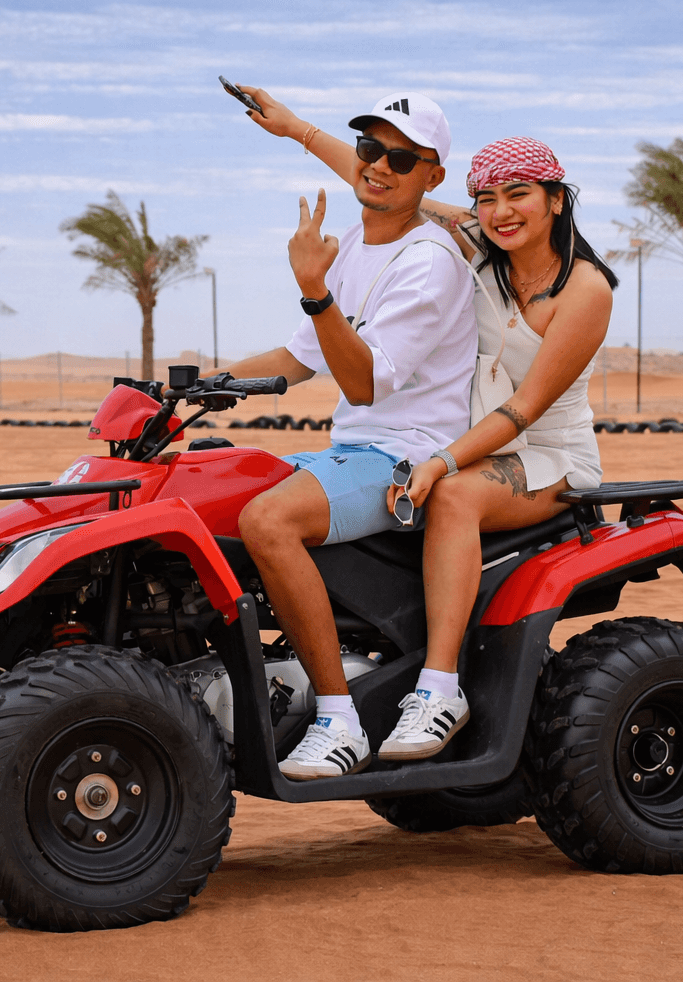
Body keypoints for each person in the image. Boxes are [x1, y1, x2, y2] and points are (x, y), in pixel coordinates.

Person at [236, 86, 616, 762]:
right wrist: (295, 129)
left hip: (546, 454)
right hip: (472, 443)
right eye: (487, 199)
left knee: (455, 496)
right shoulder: (481, 247)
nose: (501, 212)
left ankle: (439, 689)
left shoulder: (584, 289)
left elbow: (524, 410)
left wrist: (441, 461)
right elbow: (384, 180)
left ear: (557, 199)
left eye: (519, 195)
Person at [221, 91, 476, 780]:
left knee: (268, 521)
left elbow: (363, 382)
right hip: (351, 450)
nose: (379, 165)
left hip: (405, 456)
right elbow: (300, 357)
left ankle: (337, 720)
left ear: (433, 177)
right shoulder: (356, 243)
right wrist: (193, 387)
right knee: (210, 491)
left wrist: (314, 288)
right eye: (369, 148)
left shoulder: (430, 262)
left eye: (402, 158)